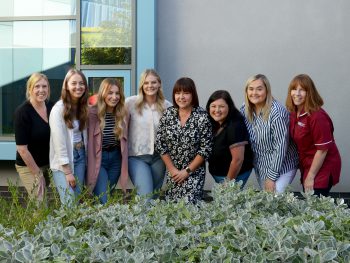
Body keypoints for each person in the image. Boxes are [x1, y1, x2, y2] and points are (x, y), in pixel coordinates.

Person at [156, 77, 213, 204]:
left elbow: (205, 149)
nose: (181, 97)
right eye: (178, 93)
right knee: (172, 208)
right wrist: (172, 170)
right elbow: (160, 143)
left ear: (193, 94)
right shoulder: (168, 114)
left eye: (186, 93)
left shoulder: (202, 116)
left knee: (190, 207)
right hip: (173, 173)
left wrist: (187, 171)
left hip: (194, 173)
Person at [240, 74, 298, 193]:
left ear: (267, 90)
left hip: (282, 166)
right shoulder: (244, 109)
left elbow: (281, 147)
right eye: (251, 89)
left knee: (275, 199)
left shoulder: (277, 113)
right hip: (261, 166)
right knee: (268, 203)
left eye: (259, 89)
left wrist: (271, 177)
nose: (254, 93)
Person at [286, 74, 341, 197]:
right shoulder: (294, 113)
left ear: (309, 92)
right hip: (308, 164)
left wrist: (311, 176)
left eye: (302, 90)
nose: (297, 93)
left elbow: (322, 150)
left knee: (315, 206)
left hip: (323, 166)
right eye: (294, 89)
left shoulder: (317, 116)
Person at [125, 69, 171, 198]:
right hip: (137, 157)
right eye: (146, 83)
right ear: (142, 85)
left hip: (159, 158)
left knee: (154, 198)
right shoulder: (131, 103)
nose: (150, 86)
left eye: (153, 82)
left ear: (159, 84)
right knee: (145, 197)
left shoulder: (167, 106)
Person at [49, 69, 89, 206]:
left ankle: (77, 228)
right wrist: (67, 172)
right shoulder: (58, 109)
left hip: (80, 156)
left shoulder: (83, 107)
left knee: (77, 200)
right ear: (66, 86)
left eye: (81, 83)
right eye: (74, 83)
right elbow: (59, 142)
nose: (78, 87)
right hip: (63, 162)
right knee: (69, 203)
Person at [87, 78, 129, 204]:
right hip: (99, 159)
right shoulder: (92, 113)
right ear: (103, 93)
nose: (114, 97)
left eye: (117, 93)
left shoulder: (123, 113)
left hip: (116, 159)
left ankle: (95, 221)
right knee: (103, 198)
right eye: (110, 93)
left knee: (106, 195)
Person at [14, 73, 53, 202]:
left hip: (48, 163)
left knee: (40, 201)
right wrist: (38, 173)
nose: (41, 90)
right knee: (40, 203)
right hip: (28, 166)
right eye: (37, 86)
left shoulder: (52, 107)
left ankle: (32, 221)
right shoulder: (23, 113)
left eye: (44, 86)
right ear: (30, 89)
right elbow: (22, 150)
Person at [206, 90, 253, 188]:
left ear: (229, 107)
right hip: (220, 176)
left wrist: (228, 182)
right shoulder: (214, 122)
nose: (217, 110)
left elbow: (238, 159)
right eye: (213, 106)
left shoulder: (234, 125)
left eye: (221, 106)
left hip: (233, 177)